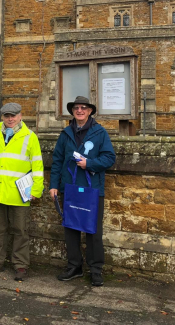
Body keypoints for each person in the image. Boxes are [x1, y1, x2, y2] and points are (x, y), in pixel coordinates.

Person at [49, 96, 116, 287]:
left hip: (92, 189)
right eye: (76, 108)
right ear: (72, 111)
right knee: (71, 228)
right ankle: (74, 266)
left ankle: (95, 270)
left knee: (93, 231)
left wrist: (90, 164)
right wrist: (54, 185)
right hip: (69, 188)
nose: (79, 110)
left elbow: (109, 158)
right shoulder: (65, 133)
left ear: (89, 111)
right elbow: (58, 161)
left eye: (83, 108)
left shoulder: (100, 133)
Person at [0, 102, 44, 281]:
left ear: (20, 116)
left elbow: (37, 166)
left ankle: (21, 265)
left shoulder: (30, 137)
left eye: (13, 115)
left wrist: (37, 189)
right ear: (2, 117)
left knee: (20, 230)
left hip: (19, 193)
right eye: (7, 115)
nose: (10, 119)